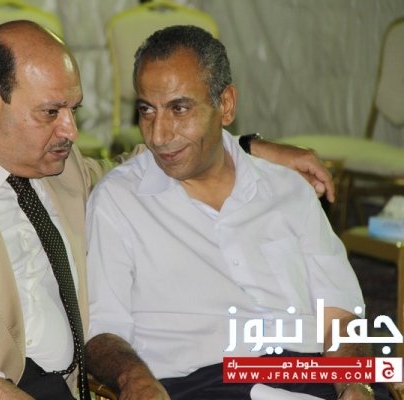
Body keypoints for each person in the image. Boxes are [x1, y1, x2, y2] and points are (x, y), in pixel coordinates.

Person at [0, 21, 334, 400]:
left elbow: (155, 158)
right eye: (51, 112)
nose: (71, 130)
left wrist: (247, 148)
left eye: (73, 109)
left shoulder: (65, 173)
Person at [84, 25, 388, 400]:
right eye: (147, 110)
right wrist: (135, 379)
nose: (159, 135)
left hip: (314, 376)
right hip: (203, 384)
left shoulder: (288, 189)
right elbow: (103, 330)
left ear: (226, 105)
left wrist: (355, 383)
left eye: (180, 109)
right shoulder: (119, 200)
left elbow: (341, 314)